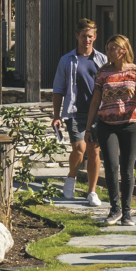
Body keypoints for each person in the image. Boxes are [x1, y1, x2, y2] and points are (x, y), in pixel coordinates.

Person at [86, 34, 136, 226]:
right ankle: (115, 209)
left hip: (131, 124)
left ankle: (127, 213)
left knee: (127, 168)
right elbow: (95, 100)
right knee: (112, 166)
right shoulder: (103, 72)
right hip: (107, 125)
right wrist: (89, 127)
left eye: (112, 48)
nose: (108, 52)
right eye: (107, 49)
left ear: (123, 50)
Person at [51, 19, 108, 207]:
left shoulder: (102, 60)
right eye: (84, 36)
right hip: (75, 111)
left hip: (97, 113)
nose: (87, 40)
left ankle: (92, 191)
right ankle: (72, 176)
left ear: (95, 37)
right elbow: (58, 89)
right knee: (79, 149)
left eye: (90, 36)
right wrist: (56, 116)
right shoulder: (67, 60)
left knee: (94, 150)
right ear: (77, 36)